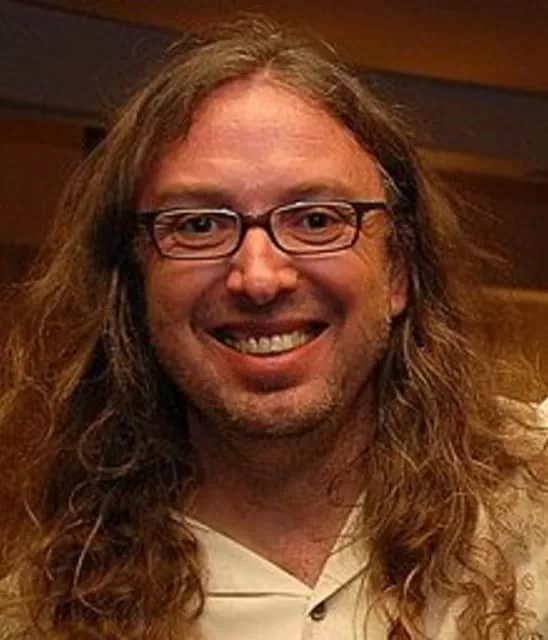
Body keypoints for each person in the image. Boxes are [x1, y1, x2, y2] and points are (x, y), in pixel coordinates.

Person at [0, 18, 546, 640]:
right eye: (199, 225)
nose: (259, 278)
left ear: (396, 271)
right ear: (133, 281)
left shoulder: (534, 500)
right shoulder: (39, 615)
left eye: (315, 219)